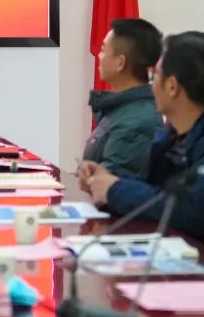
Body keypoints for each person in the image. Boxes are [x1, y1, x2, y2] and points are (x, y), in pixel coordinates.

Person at [81, 32, 204, 238]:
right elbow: (151, 188)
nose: (150, 86)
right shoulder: (170, 137)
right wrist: (106, 179)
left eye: (154, 77)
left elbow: (190, 210)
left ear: (172, 87)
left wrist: (114, 190)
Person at [80, 18, 163, 179]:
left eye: (103, 50)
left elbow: (110, 185)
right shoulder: (122, 109)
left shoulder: (137, 123)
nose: (99, 56)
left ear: (120, 63)